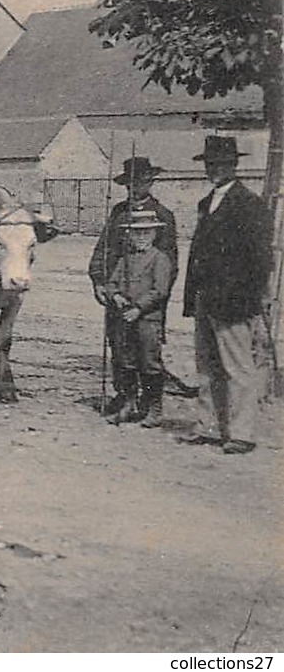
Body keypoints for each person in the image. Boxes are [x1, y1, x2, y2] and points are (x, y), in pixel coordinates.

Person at [178, 136, 270, 455]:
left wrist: (247, 299)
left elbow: (260, 261)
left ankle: (242, 432)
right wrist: (193, 296)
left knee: (238, 368)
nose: (214, 169)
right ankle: (209, 426)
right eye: (210, 164)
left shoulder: (250, 204)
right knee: (207, 366)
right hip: (205, 297)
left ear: (235, 165)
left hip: (233, 301)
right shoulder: (206, 203)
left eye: (221, 163)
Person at [89, 156, 180, 418]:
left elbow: (169, 264)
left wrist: (147, 303)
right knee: (120, 348)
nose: (135, 188)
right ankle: (125, 396)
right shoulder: (118, 212)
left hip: (147, 299)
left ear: (150, 182)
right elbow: (103, 249)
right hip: (118, 293)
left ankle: (151, 404)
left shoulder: (163, 216)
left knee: (147, 352)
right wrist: (100, 282)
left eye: (140, 182)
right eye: (130, 184)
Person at [98, 208, 176, 426]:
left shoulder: (160, 259)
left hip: (147, 319)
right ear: (129, 235)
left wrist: (139, 308)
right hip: (125, 317)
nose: (141, 237)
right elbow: (112, 282)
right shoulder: (125, 259)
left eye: (146, 232)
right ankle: (129, 404)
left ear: (154, 234)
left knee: (149, 362)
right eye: (136, 233)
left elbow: (160, 290)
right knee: (127, 361)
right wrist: (116, 296)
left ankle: (153, 408)